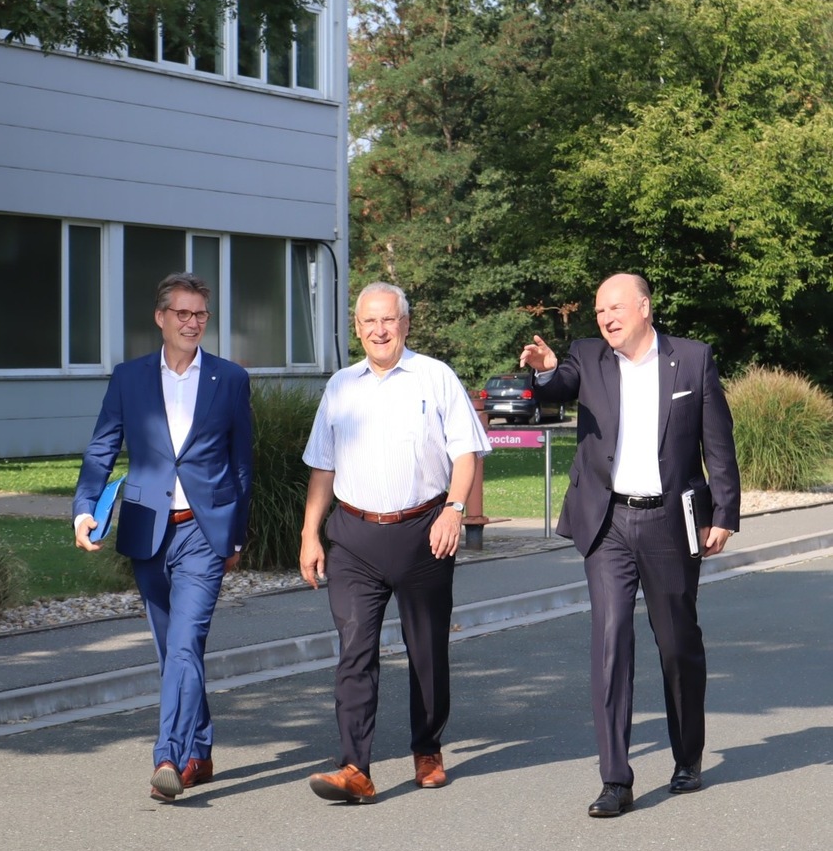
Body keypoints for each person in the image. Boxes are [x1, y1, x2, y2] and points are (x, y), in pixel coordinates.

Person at [520, 273, 740, 817]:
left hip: (670, 520)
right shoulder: (587, 357)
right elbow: (555, 385)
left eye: (615, 308)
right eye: (599, 312)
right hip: (608, 521)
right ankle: (615, 779)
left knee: (677, 643)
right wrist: (544, 371)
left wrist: (725, 513)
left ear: (644, 307)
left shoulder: (691, 360)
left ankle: (688, 756)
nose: (606, 319)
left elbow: (718, 440)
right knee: (610, 639)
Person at [299, 282, 491, 803]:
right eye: (369, 322)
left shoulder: (436, 376)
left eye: (389, 320)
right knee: (354, 651)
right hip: (354, 537)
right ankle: (354, 767)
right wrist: (310, 532)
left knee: (426, 650)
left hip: (423, 532)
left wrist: (454, 510)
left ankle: (427, 748)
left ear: (405, 324)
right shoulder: (340, 386)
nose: (379, 330)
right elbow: (323, 464)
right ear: (356, 328)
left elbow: (467, 453)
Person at [73, 272, 252, 802]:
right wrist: (86, 507)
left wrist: (236, 535)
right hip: (147, 529)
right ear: (161, 318)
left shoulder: (230, 378)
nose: (192, 323)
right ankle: (201, 748)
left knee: (185, 644)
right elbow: (102, 447)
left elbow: (242, 465)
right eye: (183, 313)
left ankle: (168, 756)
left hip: (204, 531)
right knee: (171, 649)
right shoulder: (129, 378)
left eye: (200, 315)